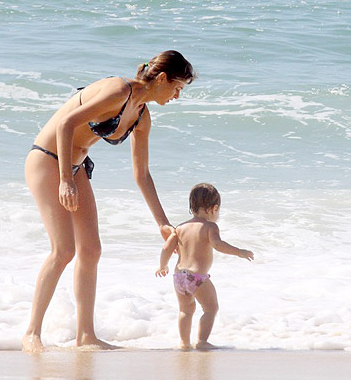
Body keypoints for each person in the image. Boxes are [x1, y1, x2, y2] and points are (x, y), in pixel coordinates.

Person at [22, 50, 196, 353]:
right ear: (163, 79)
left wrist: (163, 224)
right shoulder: (118, 90)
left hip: (75, 167)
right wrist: (64, 179)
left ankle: (85, 335)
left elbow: (141, 174)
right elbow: (65, 124)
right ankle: (32, 333)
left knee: (91, 250)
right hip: (47, 160)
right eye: (178, 88)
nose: (177, 96)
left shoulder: (142, 116)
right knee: (63, 250)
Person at [155, 183, 254, 350]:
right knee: (211, 308)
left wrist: (163, 265)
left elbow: (166, 248)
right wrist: (239, 252)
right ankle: (202, 341)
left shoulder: (180, 228)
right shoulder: (210, 227)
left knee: (185, 310)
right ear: (214, 208)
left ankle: (184, 343)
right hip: (197, 277)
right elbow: (218, 244)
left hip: (179, 276)